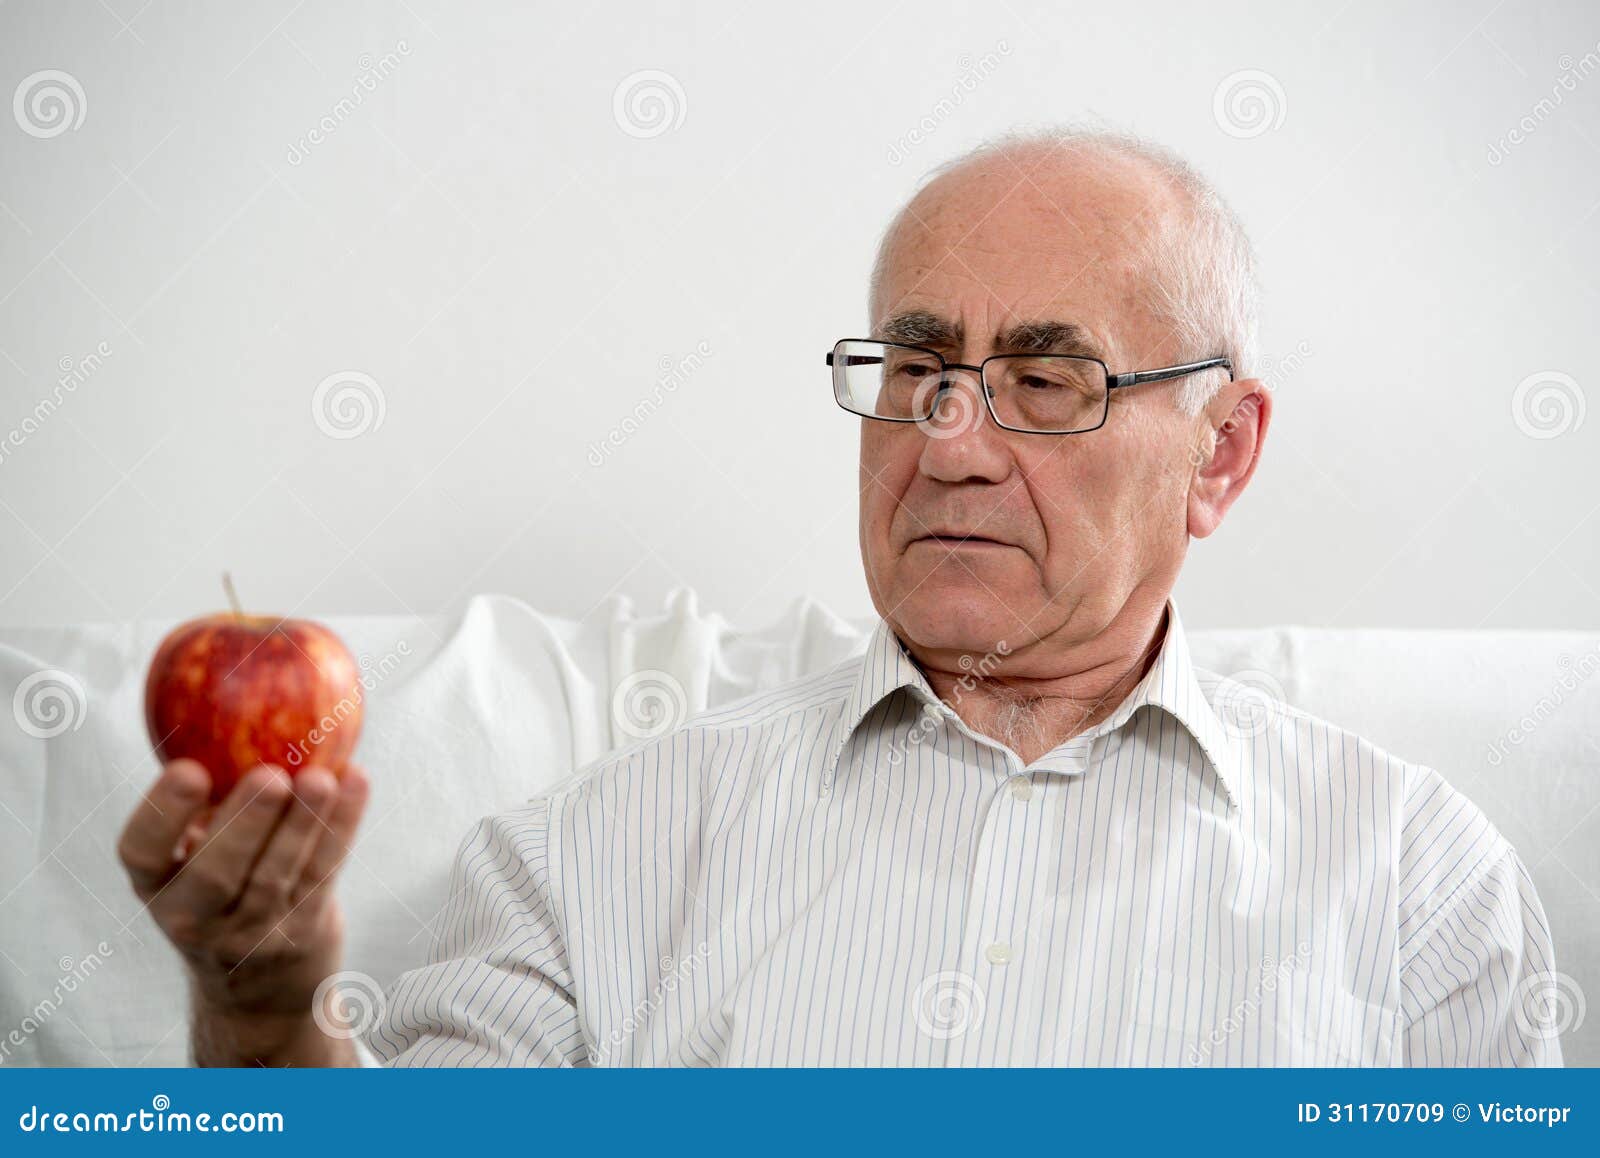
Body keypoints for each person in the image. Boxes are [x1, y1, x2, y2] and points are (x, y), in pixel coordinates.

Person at [117, 126, 1561, 1066]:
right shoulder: (594, 858)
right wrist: (262, 1000)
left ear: (1220, 454)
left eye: (1044, 383)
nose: (949, 441)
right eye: (919, 372)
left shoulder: (1419, 893)